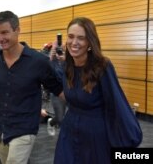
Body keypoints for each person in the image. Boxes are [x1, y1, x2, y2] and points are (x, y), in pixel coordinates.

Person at [53, 17, 142, 164]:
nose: (74, 42)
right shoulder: (67, 65)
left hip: (95, 136)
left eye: (81, 38)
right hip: (69, 131)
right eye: (70, 36)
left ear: (89, 42)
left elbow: (116, 104)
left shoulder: (102, 66)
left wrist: (126, 143)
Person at [0, 10, 63, 164]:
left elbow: (60, 91)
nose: (0, 38)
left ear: (17, 30)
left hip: (23, 128)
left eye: (4, 32)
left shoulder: (38, 61)